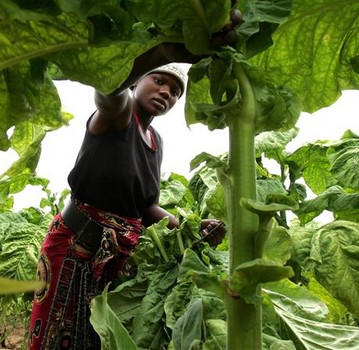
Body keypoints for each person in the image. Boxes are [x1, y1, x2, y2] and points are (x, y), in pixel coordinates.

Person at [27, 44, 227, 349]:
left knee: (98, 338)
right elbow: (109, 93)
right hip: (76, 246)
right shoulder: (118, 115)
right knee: (59, 333)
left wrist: (190, 229)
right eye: (158, 81)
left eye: (174, 92)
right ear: (135, 82)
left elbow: (147, 209)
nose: (166, 93)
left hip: (117, 255)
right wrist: (166, 52)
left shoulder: (156, 141)